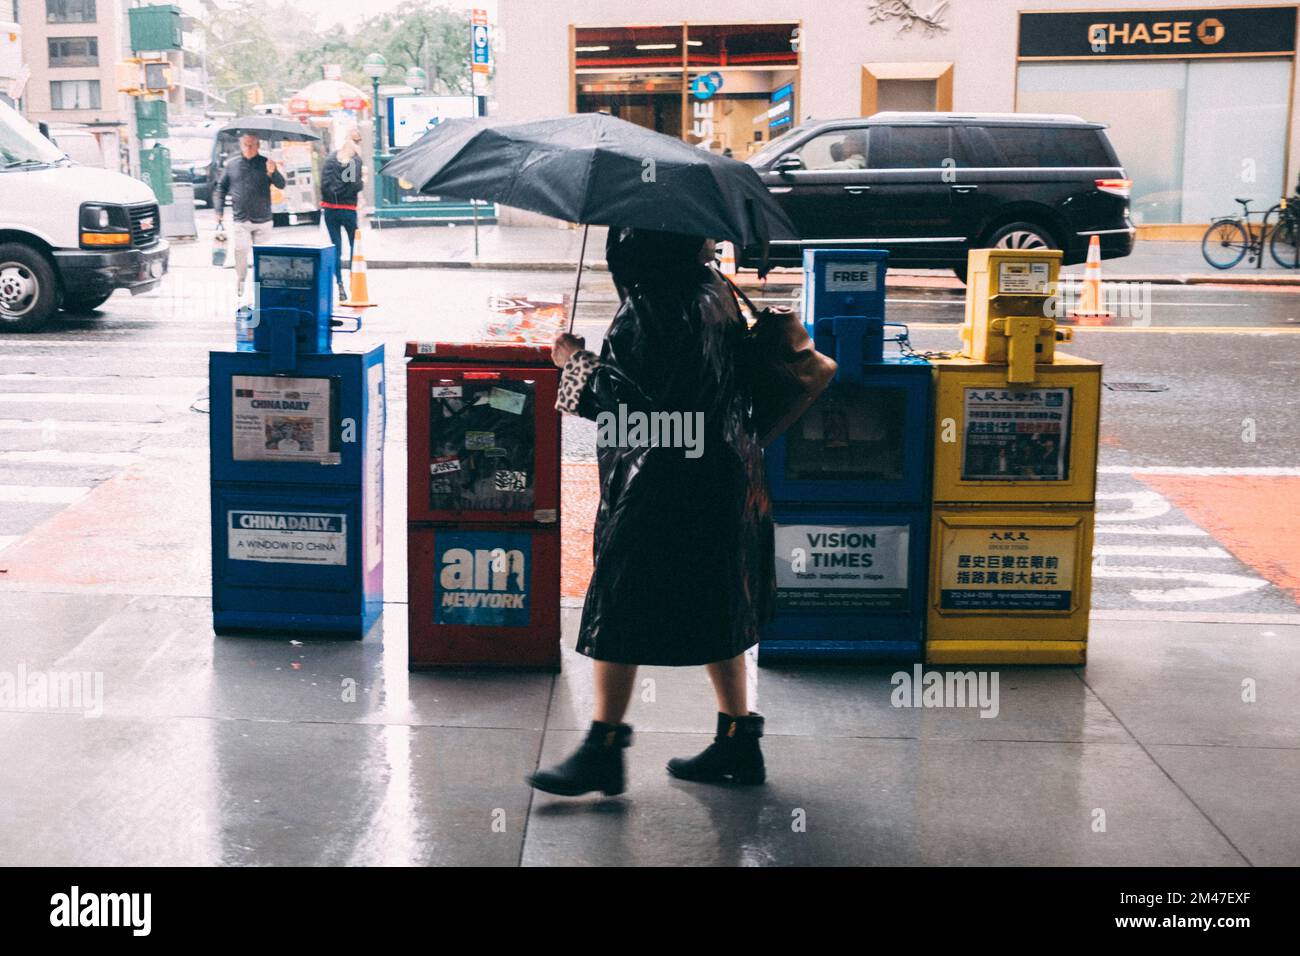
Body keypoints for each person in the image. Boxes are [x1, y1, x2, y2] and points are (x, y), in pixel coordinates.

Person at [528, 227, 776, 798]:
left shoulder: (647, 305)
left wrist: (573, 361)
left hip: (661, 484)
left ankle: (603, 749)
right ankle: (739, 740)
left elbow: (628, 408)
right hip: (726, 472)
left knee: (618, 603)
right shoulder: (715, 289)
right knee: (721, 599)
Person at [212, 133, 286, 298]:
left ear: (258, 146)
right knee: (241, 252)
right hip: (241, 219)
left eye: (252, 145)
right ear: (241, 146)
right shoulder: (232, 165)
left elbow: (281, 185)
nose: (248, 148)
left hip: (263, 219)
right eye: (245, 145)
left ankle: (262, 289)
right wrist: (219, 211)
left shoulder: (266, 164)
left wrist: (273, 173)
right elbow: (220, 189)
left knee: (264, 257)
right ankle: (241, 282)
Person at [320, 125, 365, 300]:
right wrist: (362, 182)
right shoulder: (355, 160)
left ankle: (339, 284)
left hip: (330, 209)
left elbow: (324, 184)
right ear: (356, 142)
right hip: (348, 209)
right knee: (355, 247)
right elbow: (354, 185)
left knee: (336, 247)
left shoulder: (330, 159)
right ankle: (355, 281)